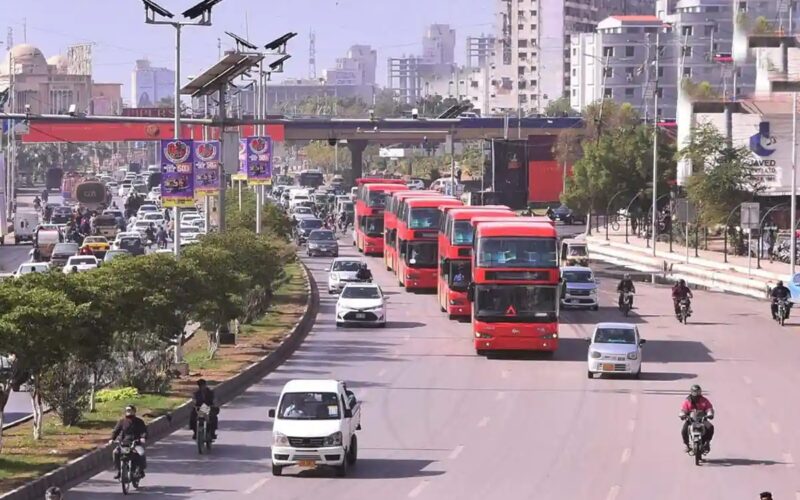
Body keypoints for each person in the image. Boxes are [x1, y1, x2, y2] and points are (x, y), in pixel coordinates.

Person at [110, 405, 148, 479]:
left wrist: (143, 438)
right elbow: (116, 431)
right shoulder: (122, 421)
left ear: (134, 411)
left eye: (130, 410)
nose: (128, 412)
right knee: (115, 453)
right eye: (127, 410)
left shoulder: (139, 422)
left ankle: (141, 470)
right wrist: (112, 439)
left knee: (141, 454)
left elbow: (144, 431)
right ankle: (119, 471)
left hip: (135, 443)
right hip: (124, 443)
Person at [679, 384, 714, 453]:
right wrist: (683, 415)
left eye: (698, 392)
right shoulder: (687, 401)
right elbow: (683, 410)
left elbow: (709, 408)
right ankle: (687, 445)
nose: (696, 394)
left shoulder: (704, 400)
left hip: (702, 419)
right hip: (691, 420)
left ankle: (707, 442)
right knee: (684, 430)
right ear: (691, 392)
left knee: (710, 427)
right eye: (695, 392)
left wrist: (709, 414)